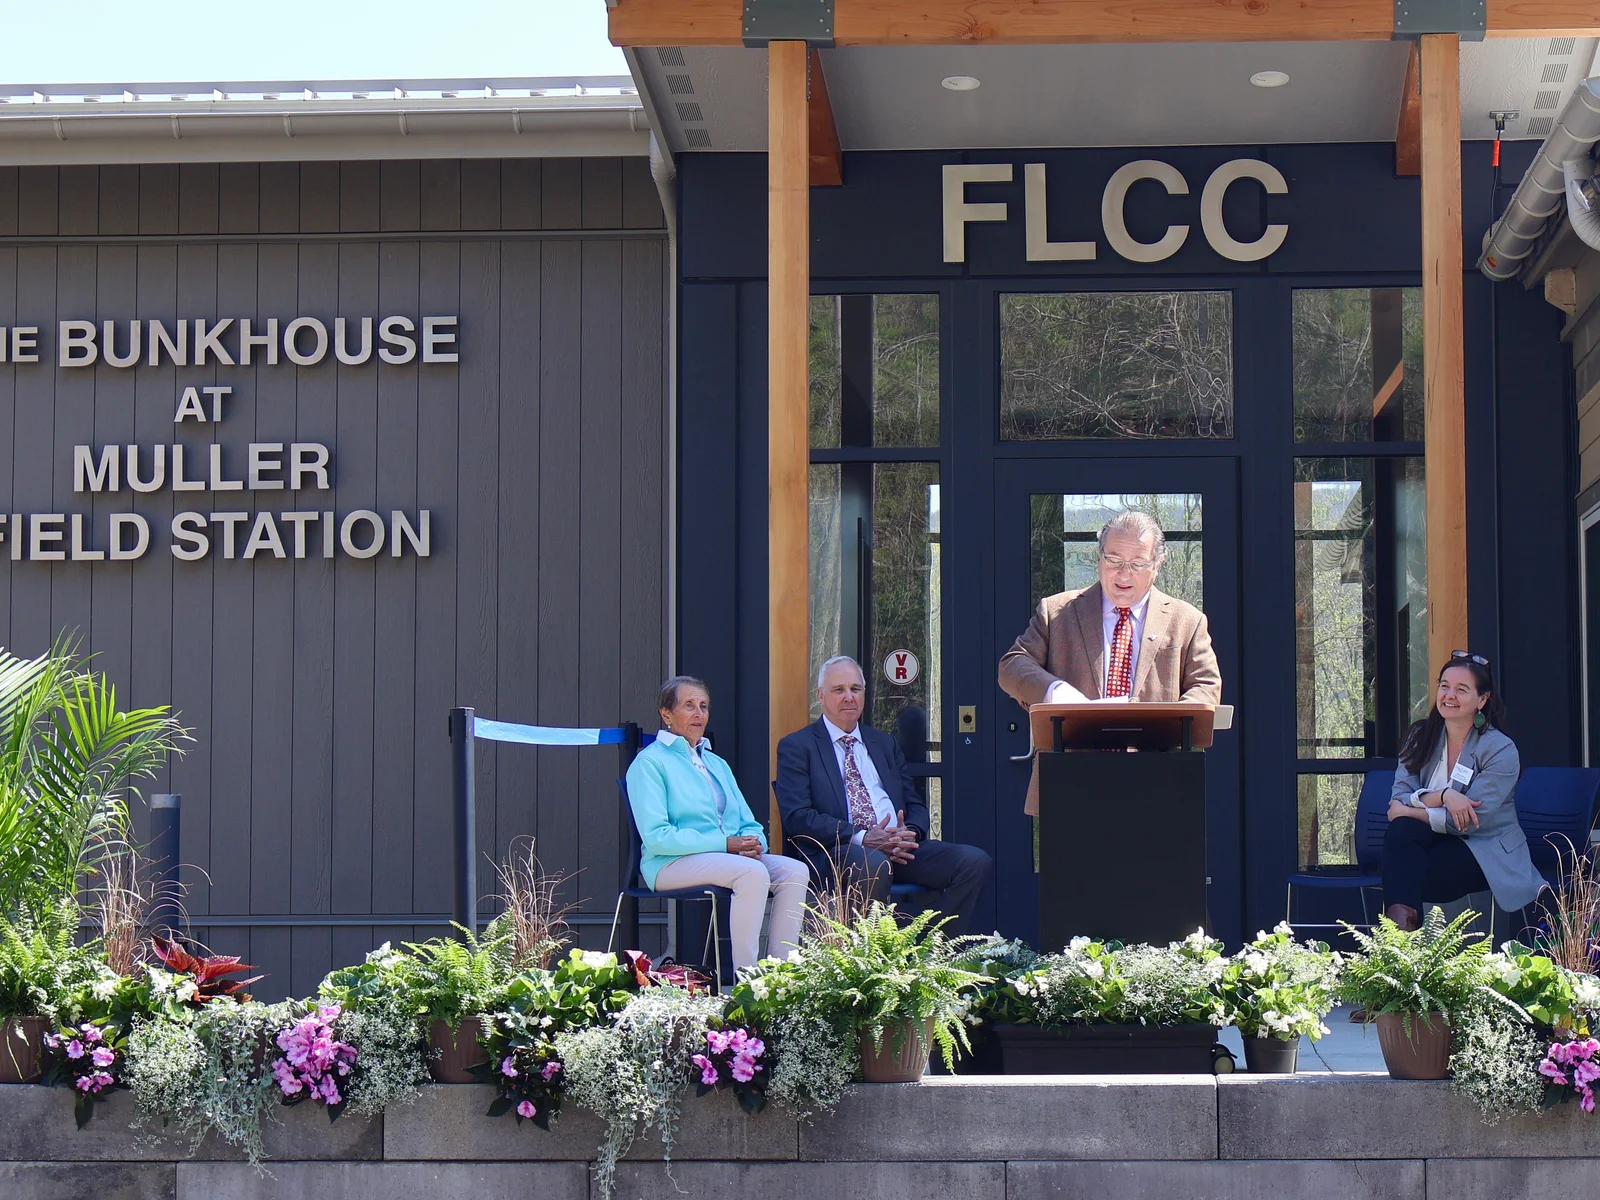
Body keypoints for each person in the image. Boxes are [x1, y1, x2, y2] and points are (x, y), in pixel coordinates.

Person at [998, 509, 1222, 815]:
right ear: (1099, 558)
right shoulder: (1057, 612)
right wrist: (1057, 692)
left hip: (1159, 783)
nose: (1123, 574)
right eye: (1114, 560)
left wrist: (1165, 723)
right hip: (1071, 783)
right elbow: (1012, 666)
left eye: (1137, 564)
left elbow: (1206, 687)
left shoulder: (1187, 620)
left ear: (1157, 565)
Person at [775, 655, 994, 935]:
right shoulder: (798, 746)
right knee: (873, 864)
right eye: (838, 690)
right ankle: (870, 961)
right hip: (838, 852)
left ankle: (929, 951)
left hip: (898, 848)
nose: (848, 698)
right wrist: (863, 837)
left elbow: (914, 803)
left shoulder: (883, 743)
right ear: (820, 695)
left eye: (855, 689)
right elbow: (797, 817)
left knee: (974, 862)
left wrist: (909, 832)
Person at [626, 675, 809, 969]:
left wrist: (754, 843)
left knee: (794, 871)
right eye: (689, 706)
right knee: (751, 873)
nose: (699, 714)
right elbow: (657, 836)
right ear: (666, 713)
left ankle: (780, 974)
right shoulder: (649, 763)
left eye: (704, 706)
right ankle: (747, 982)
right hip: (667, 863)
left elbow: (748, 822)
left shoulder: (716, 763)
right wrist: (725, 844)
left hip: (725, 857)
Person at [1382, 652, 1547, 932]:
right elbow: (1398, 796)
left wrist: (1409, 809)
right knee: (1402, 834)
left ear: (1482, 700)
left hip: (1482, 846)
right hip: (1430, 842)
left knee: (1404, 864)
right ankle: (1400, 940)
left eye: (1461, 689)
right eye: (1444, 686)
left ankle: (1396, 946)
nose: (1449, 695)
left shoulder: (1499, 749)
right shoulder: (1420, 736)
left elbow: (1467, 820)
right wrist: (1444, 796)